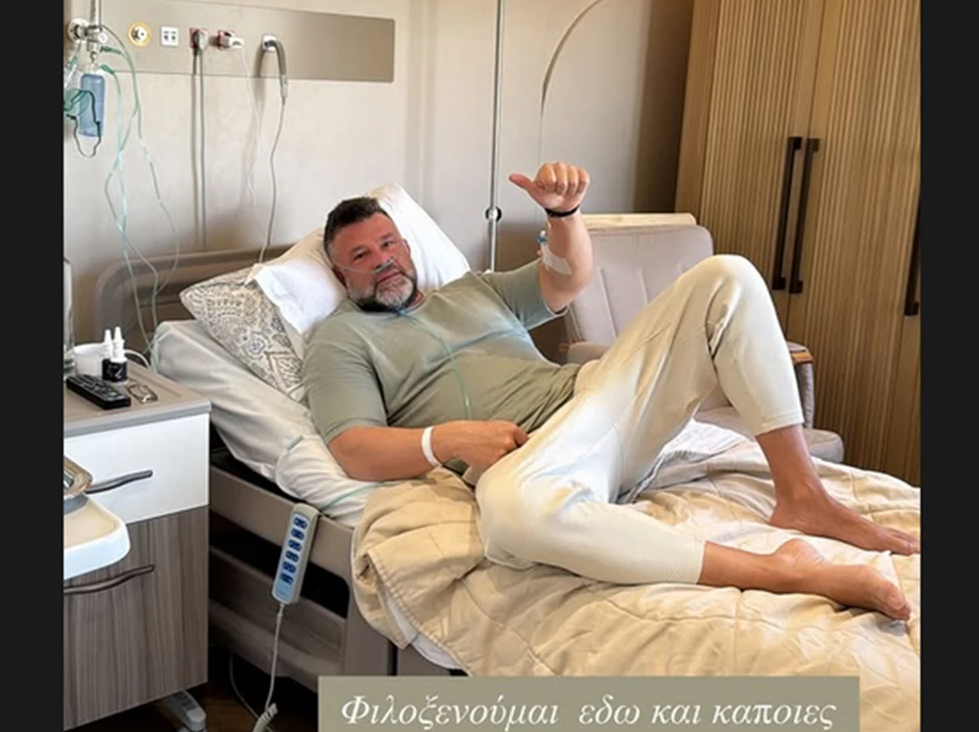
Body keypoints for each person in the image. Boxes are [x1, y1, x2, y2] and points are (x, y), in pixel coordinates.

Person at [304, 163, 918, 621]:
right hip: (539, 457)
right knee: (511, 518)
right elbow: (354, 448)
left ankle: (802, 494)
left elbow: (566, 279)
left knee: (725, 276)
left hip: (599, 402)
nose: (382, 260)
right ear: (338, 273)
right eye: (361, 255)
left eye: (389, 244)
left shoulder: (473, 291)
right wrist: (450, 441)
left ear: (407, 247)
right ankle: (780, 572)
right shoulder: (341, 339)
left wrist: (564, 214)